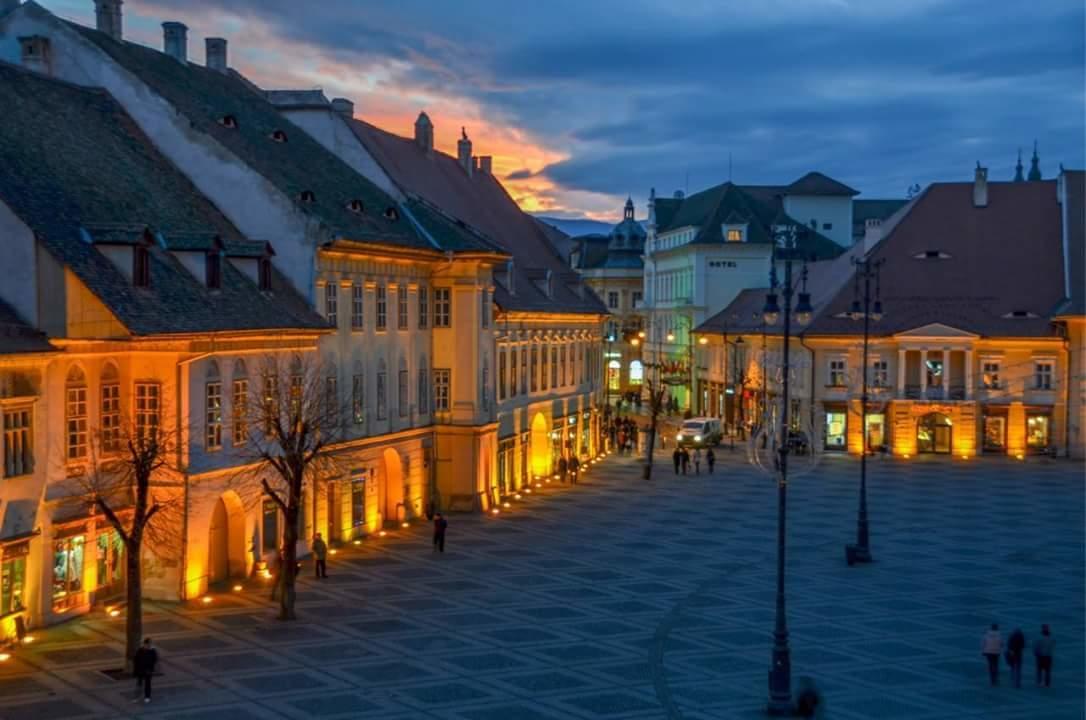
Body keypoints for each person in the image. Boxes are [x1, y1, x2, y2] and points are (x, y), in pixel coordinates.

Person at [132, 637, 158, 704]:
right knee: (139, 684)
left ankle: (147, 697)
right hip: (140, 670)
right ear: (145, 644)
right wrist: (136, 670)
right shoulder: (140, 650)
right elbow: (136, 660)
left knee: (147, 684)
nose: (149, 645)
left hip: (148, 670)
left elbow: (154, 661)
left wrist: (151, 669)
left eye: (150, 644)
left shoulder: (153, 651)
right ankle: (136, 697)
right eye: (148, 644)